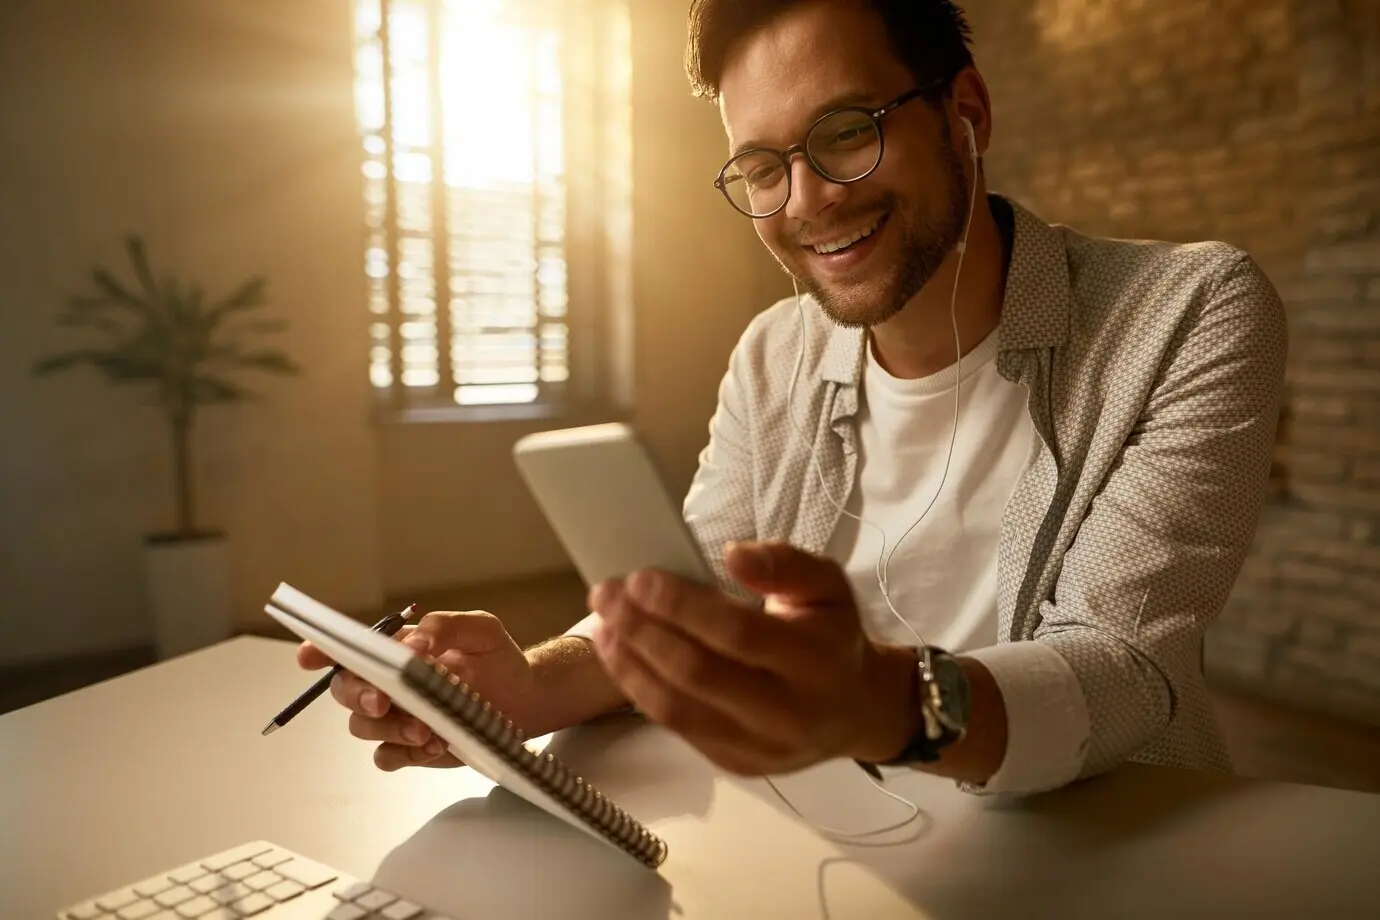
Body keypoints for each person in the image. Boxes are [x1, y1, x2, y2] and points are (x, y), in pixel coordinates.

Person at [298, 0, 1286, 795]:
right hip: (831, 844)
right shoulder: (775, 352)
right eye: (763, 167)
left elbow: (1121, 667)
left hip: (1111, 850)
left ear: (967, 113)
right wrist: (531, 682)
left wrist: (887, 702)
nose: (808, 200)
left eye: (846, 132)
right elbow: (699, 599)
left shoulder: (1188, 310)